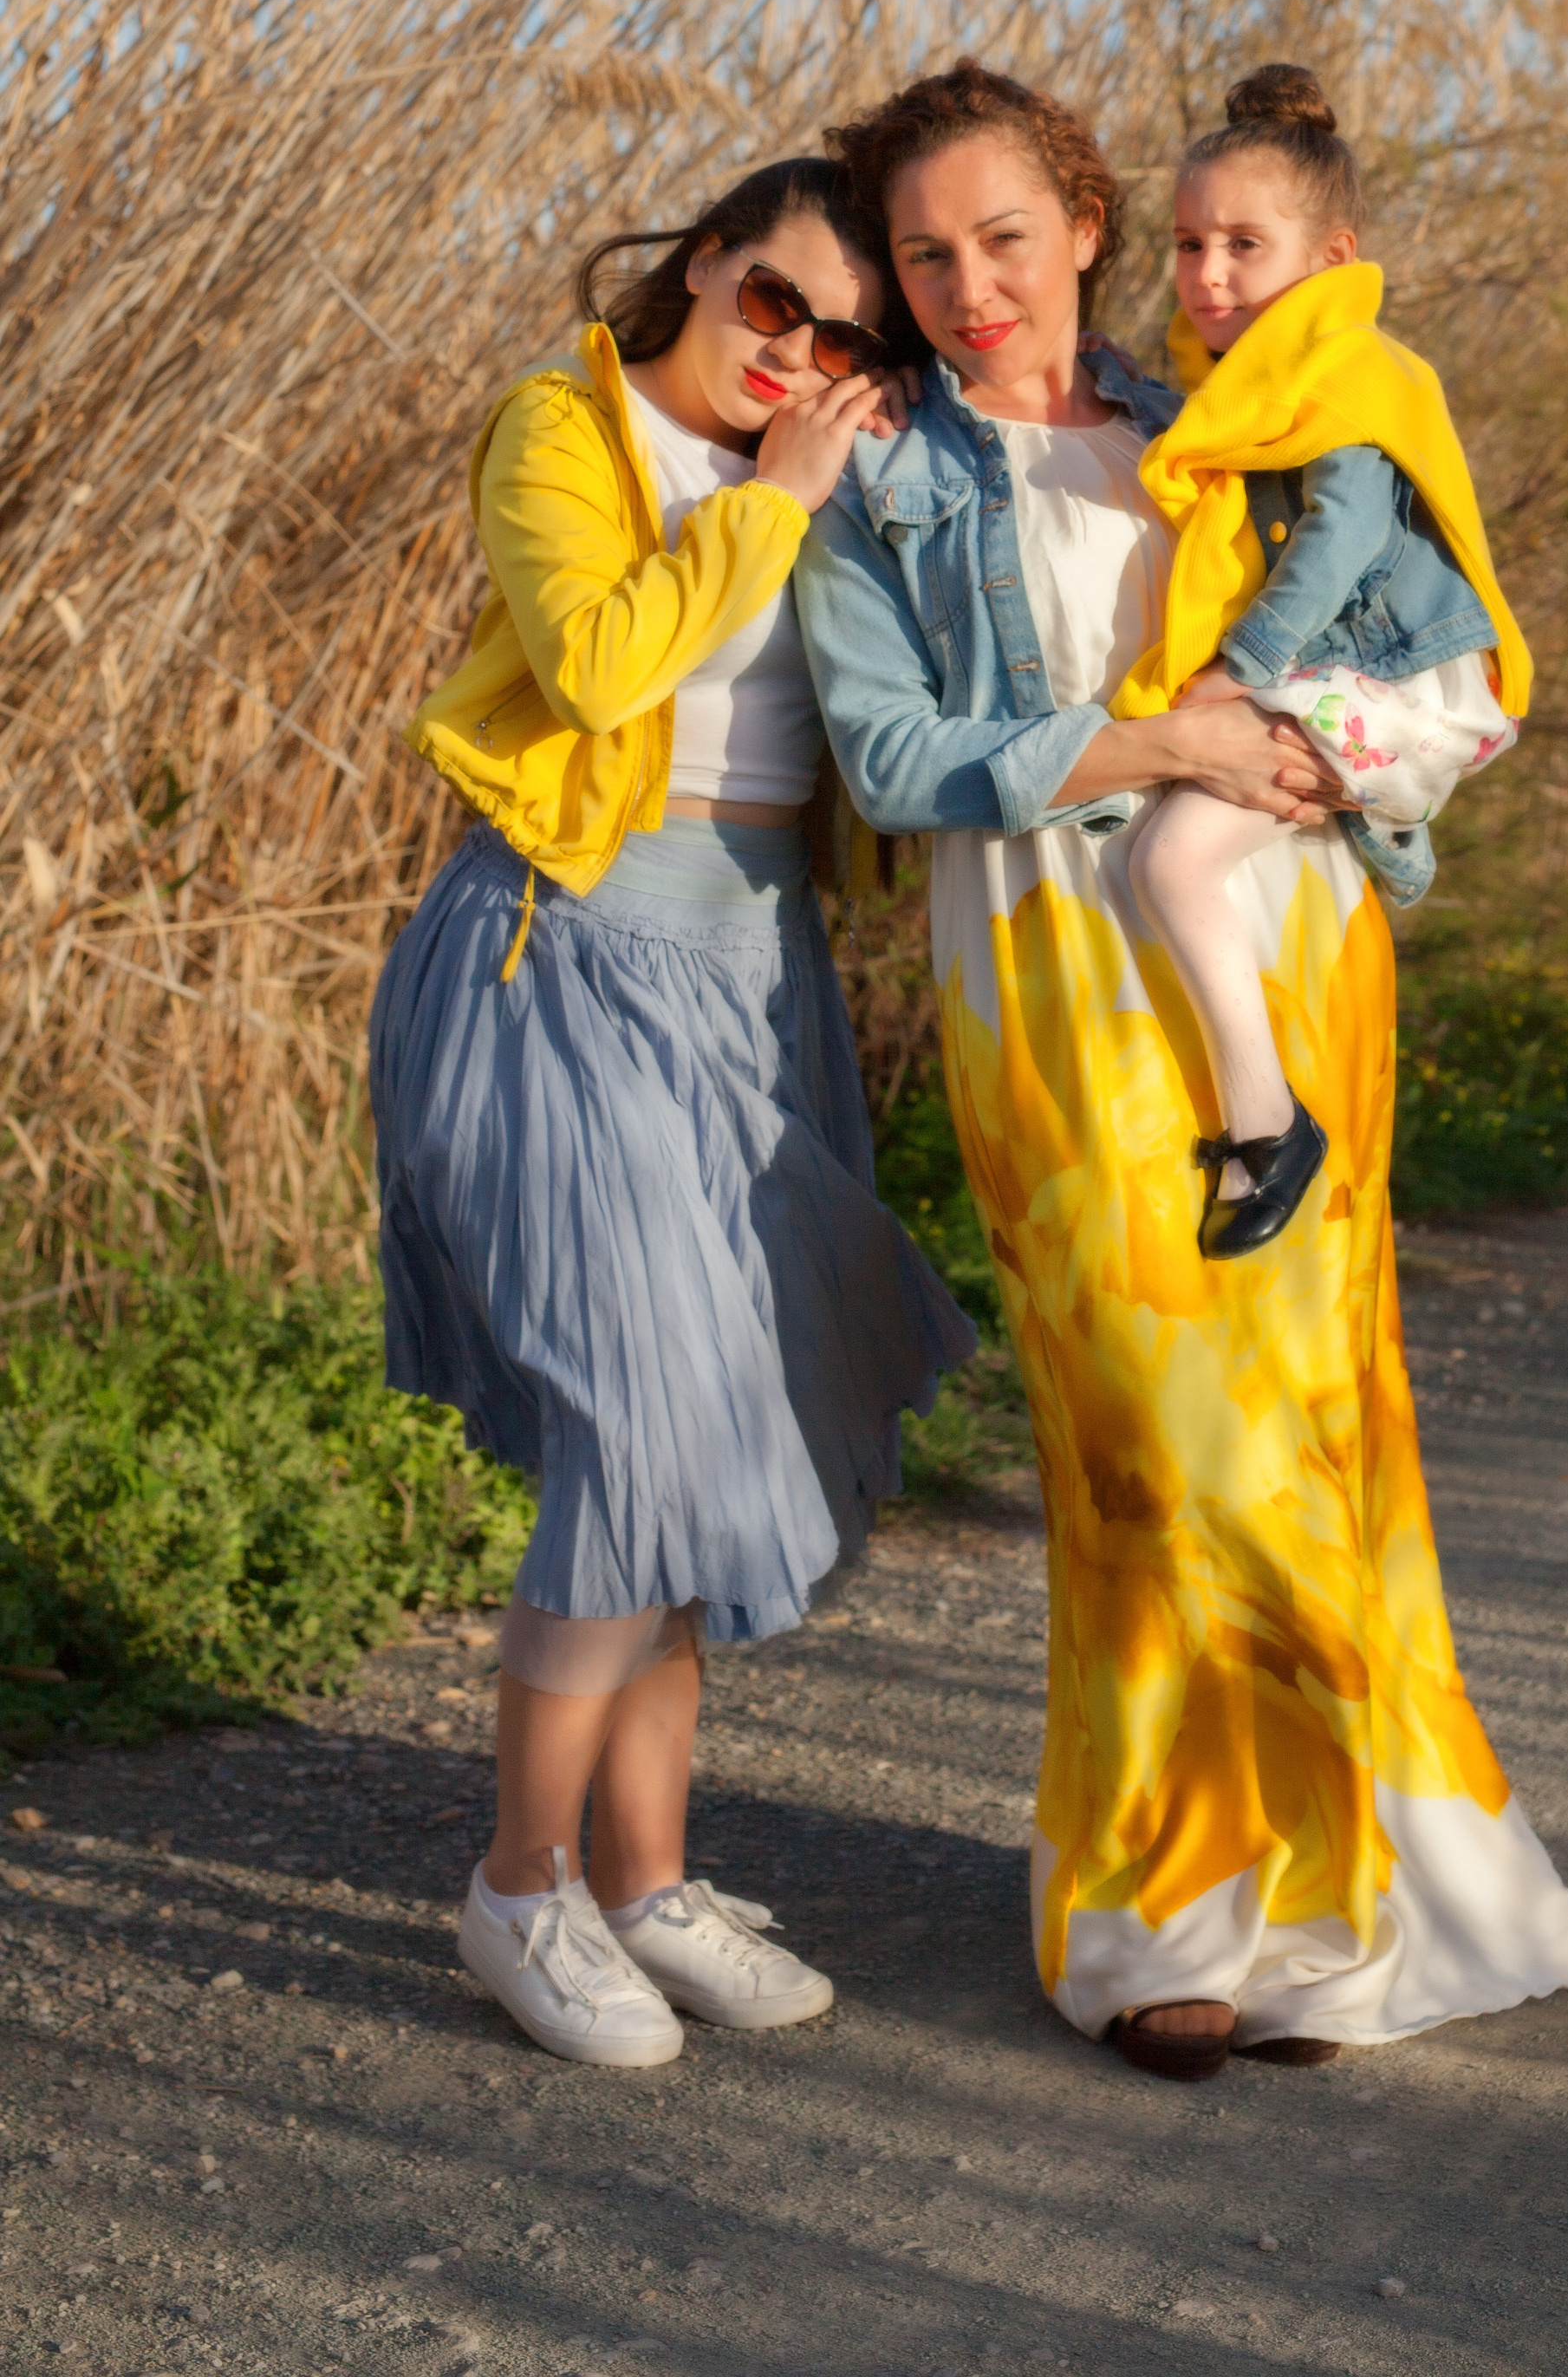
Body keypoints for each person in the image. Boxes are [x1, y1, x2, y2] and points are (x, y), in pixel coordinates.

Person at [794, 56, 1568, 2082]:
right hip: (1059, 982)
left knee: (1323, 1419)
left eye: (1004, 234)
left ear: (1087, 223)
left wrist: (1340, 753)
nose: (970, 280)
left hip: (1291, 956)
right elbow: (898, 764)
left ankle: (1331, 1912)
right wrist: (1169, 749)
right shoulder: (882, 469)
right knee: (1153, 1451)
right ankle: (1163, 1899)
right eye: (924, 251)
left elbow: (1406, 632)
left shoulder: (1222, 412)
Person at [369, 158, 975, 2068]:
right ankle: (521, 1884)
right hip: (560, 952)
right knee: (638, 1419)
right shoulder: (567, 425)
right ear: (707, 260)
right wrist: (782, 499)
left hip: (753, 972)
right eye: (774, 302)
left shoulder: (838, 460)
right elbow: (606, 657)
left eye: (842, 339)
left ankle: (647, 1878)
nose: (792, 353)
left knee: (710, 1441)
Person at [1118, 65, 1527, 1258]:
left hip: (1399, 673)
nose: (1208, 275)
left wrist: (1242, 663)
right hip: (1360, 674)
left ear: (1330, 254)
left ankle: (1266, 1123)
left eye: (1245, 244)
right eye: (1191, 244)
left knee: (1174, 859)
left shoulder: (1346, 371)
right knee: (1172, 851)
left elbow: (1344, 533)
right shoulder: (1251, 385)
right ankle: (1379, 834)